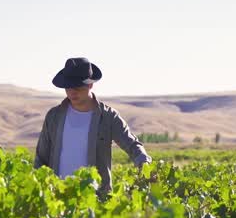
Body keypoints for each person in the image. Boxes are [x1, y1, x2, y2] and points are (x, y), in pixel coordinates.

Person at [34, 57, 151, 195]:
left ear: (90, 85)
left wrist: (145, 166)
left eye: (77, 86)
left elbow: (133, 146)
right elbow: (41, 158)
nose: (72, 92)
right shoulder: (54, 116)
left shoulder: (108, 117)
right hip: (57, 200)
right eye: (68, 87)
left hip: (96, 200)